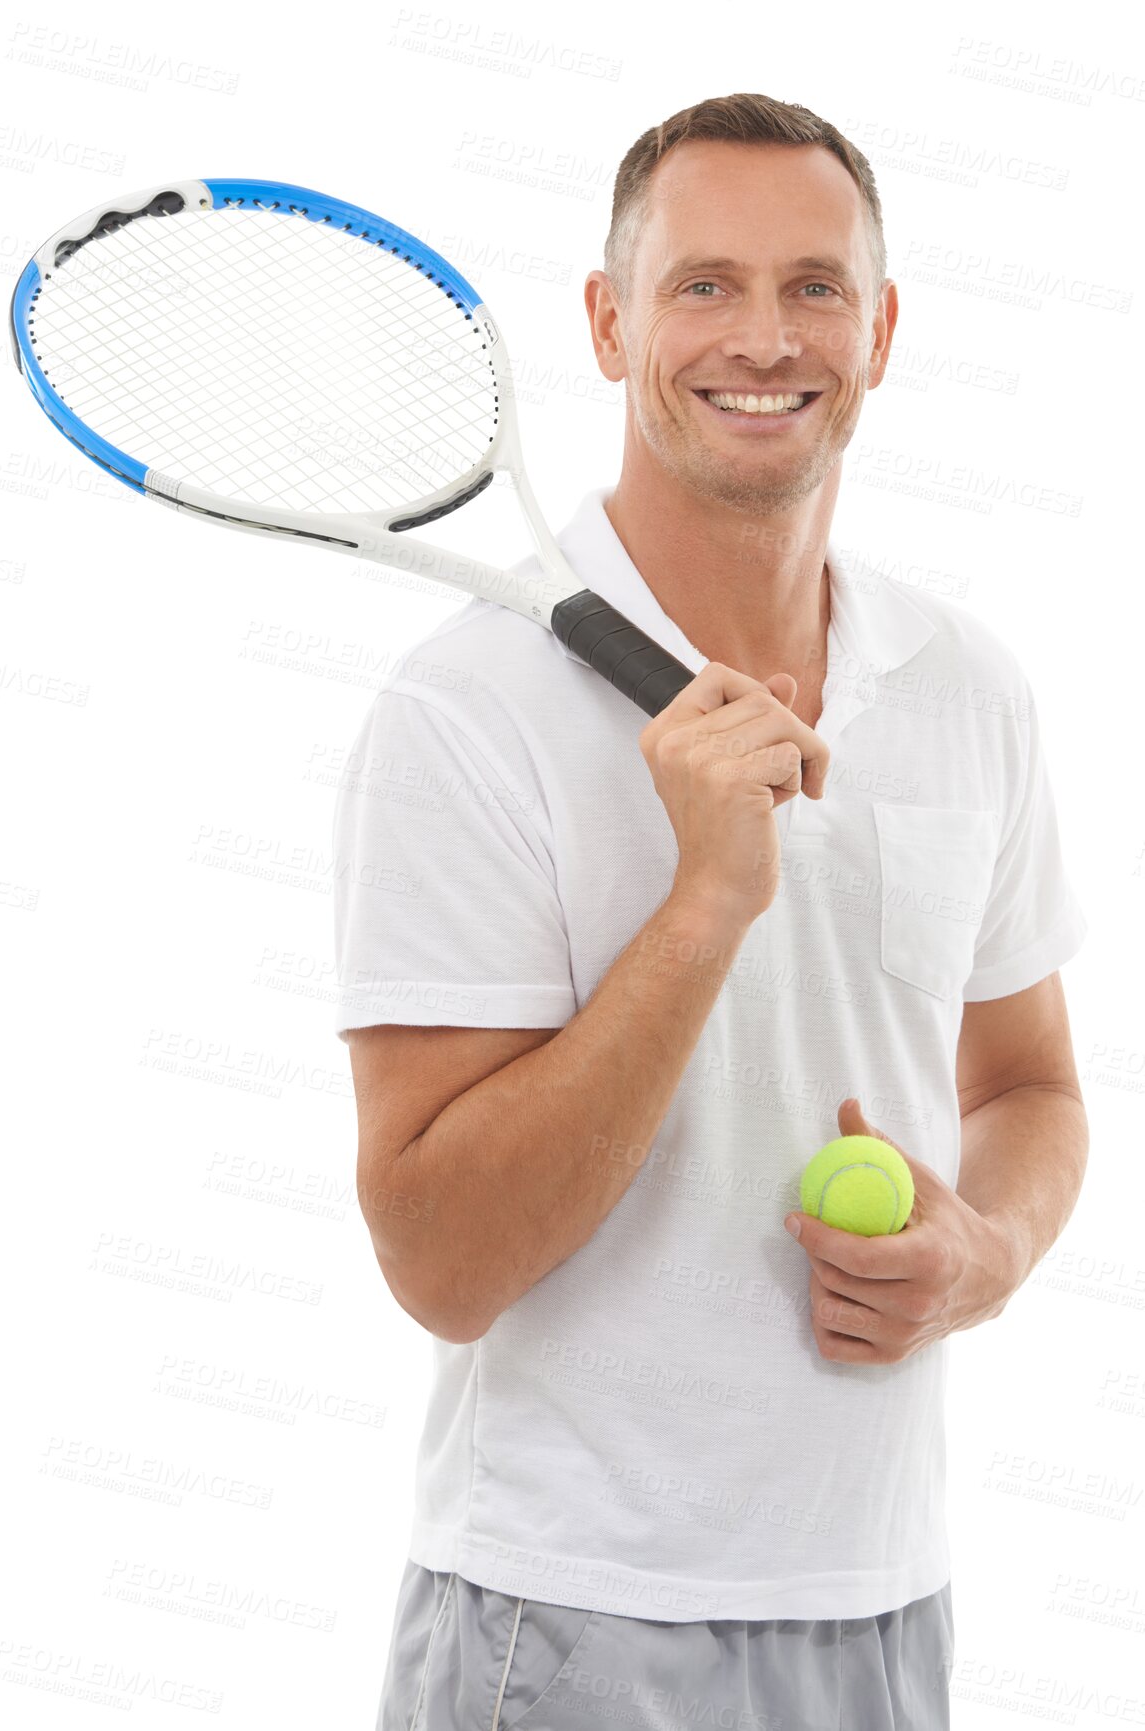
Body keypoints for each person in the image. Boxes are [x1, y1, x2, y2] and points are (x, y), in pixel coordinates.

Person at [332, 92, 1089, 1730]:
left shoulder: (970, 689)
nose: (764, 336)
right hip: (571, 1623)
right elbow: (439, 1261)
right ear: (608, 326)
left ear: (881, 332)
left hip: (885, 1616)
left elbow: (1029, 1086)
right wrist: (701, 911)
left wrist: (991, 1250)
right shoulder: (462, 716)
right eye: (702, 286)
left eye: (816, 286)